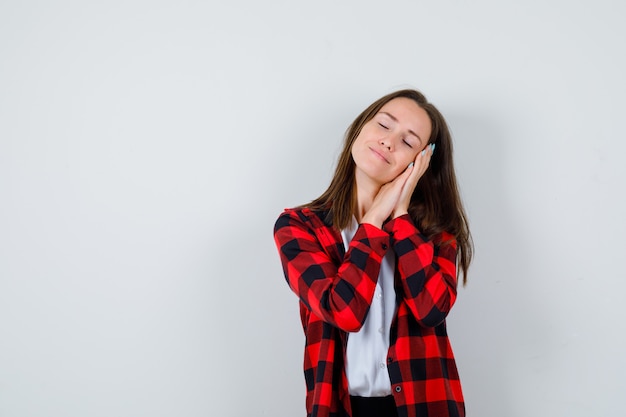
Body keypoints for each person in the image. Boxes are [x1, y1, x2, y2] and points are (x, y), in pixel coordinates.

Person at [273, 89, 473, 417]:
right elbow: (344, 312)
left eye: (409, 142)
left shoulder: (437, 234)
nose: (389, 141)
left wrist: (400, 218)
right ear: (360, 127)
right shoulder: (299, 226)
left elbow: (432, 310)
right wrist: (373, 221)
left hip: (426, 407)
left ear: (420, 164)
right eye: (383, 124)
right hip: (341, 408)